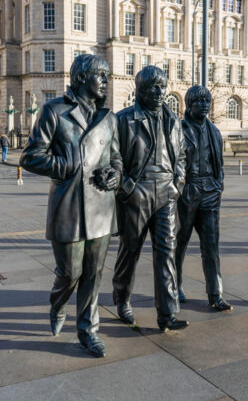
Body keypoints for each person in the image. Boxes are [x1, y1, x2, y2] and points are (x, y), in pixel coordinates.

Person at [20, 54, 122, 358]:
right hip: (69, 206)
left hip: (101, 207)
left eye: (107, 76)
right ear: (81, 78)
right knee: (70, 272)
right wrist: (64, 165)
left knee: (94, 273)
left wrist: (115, 174)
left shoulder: (109, 118)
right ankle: (58, 301)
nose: (106, 81)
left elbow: (116, 157)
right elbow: (31, 157)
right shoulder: (55, 111)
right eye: (100, 76)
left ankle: (88, 331)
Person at [111, 66, 189, 332]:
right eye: (153, 87)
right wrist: (126, 188)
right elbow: (114, 158)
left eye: (162, 86)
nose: (159, 92)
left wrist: (177, 183)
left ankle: (167, 313)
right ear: (140, 89)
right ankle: (122, 299)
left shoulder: (174, 121)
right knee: (129, 250)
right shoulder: (123, 119)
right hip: (137, 192)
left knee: (166, 252)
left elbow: (181, 157)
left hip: (167, 192)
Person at [175, 86, 231, 312]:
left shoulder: (214, 131)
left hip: (209, 192)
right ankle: (174, 285)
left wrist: (218, 186)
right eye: (200, 102)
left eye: (207, 101)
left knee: (211, 246)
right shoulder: (178, 129)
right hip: (186, 191)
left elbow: (219, 164)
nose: (205, 105)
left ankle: (215, 293)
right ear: (190, 104)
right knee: (179, 244)